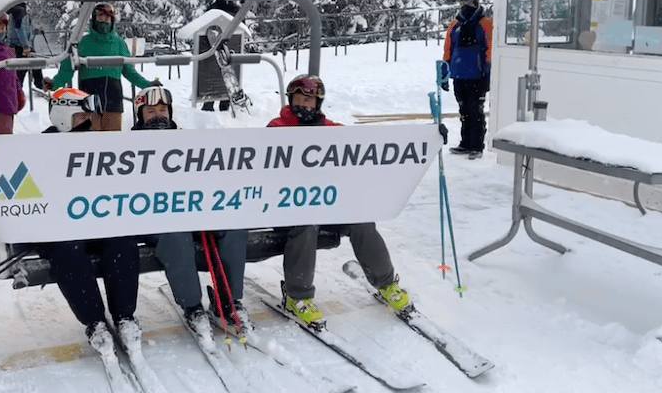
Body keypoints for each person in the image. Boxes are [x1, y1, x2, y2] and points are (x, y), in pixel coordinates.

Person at [268, 74, 410, 325]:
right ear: (291, 100)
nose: (304, 104)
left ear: (318, 103)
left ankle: (386, 284)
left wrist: (428, 137)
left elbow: (369, 148)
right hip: (291, 208)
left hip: (330, 206)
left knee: (362, 221)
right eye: (300, 98)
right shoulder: (277, 128)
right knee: (305, 224)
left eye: (310, 100)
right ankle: (297, 296)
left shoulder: (332, 130)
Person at [134, 86, 250, 336]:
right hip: (156, 218)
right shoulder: (127, 146)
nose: (158, 115)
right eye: (151, 111)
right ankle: (192, 306)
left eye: (163, 109)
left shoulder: (188, 140)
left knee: (233, 228)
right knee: (176, 238)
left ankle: (228, 301)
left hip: (195, 210)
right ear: (139, 115)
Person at [40, 87, 141, 352]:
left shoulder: (97, 144)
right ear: (64, 116)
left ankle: (124, 316)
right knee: (67, 251)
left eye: (88, 118)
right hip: (59, 228)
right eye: (81, 117)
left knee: (122, 242)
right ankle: (94, 321)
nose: (87, 123)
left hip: (95, 219)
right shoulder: (38, 149)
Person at [50, 3, 155, 131]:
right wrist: (54, 83)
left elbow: (129, 71)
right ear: (94, 19)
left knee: (112, 139)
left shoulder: (119, 44)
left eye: (107, 18)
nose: (104, 21)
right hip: (88, 98)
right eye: (100, 17)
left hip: (113, 98)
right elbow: (67, 68)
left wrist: (147, 85)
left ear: (112, 21)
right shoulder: (83, 42)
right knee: (89, 137)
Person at [442, 0, 493, 159]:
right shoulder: (454, 25)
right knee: (463, 110)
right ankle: (465, 142)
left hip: (477, 74)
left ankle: (477, 145)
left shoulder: (485, 23)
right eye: (463, 3)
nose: (465, 6)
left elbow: (489, 48)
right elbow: (448, 48)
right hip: (459, 74)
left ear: (476, 3)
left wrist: (487, 70)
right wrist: (444, 71)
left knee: (475, 110)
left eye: (469, 3)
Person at [200, 0, 240, 112]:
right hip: (225, 49)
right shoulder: (235, 10)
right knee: (224, 76)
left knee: (215, 78)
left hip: (217, 49)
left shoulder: (212, 9)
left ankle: (213, 105)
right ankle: (221, 105)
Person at [6, 3, 41, 89]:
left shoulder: (14, 12)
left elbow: (24, 28)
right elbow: (20, 29)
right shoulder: (19, 11)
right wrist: (25, 46)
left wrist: (36, 32)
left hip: (17, 44)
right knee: (26, 67)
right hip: (21, 46)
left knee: (24, 67)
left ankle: (20, 87)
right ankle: (38, 84)